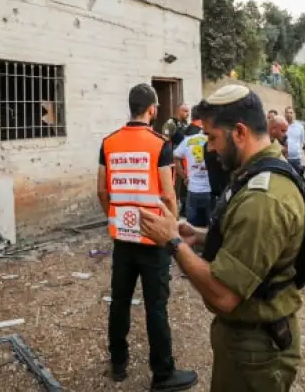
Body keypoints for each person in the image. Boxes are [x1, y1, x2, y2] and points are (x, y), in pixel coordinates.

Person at [140, 84, 305, 392]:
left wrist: (172, 242)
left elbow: (224, 295)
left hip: (255, 351)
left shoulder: (263, 199)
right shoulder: (257, 174)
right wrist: (200, 236)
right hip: (250, 340)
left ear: (240, 133)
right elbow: (252, 246)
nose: (211, 149)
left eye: (213, 138)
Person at [96, 84, 198, 391]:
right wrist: (172, 227)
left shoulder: (108, 142)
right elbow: (168, 194)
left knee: (120, 301)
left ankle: (118, 363)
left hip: (122, 239)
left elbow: (102, 190)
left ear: (130, 107)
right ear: (152, 109)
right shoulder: (159, 144)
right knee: (156, 305)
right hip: (154, 239)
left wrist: (113, 216)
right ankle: (163, 373)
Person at [174, 106, 213, 228]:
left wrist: (184, 176)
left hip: (193, 189)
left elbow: (175, 157)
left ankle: (193, 247)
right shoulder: (212, 138)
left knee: (191, 229)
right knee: (211, 229)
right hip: (210, 191)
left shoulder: (188, 138)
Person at [284, 106, 305, 175]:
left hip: (296, 159)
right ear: (285, 114)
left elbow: (302, 141)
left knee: (297, 178)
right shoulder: (282, 125)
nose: (289, 115)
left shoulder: (300, 127)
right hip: (284, 158)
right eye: (287, 113)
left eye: (291, 113)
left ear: (294, 114)